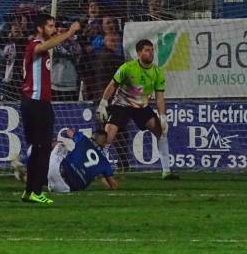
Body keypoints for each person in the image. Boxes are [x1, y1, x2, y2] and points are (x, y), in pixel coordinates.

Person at [20, 14, 81, 204]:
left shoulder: (40, 47)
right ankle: (35, 191)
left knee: (40, 148)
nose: (53, 29)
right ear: (39, 28)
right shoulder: (35, 45)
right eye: (50, 26)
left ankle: (30, 191)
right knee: (43, 148)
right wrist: (69, 32)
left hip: (35, 103)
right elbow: (44, 46)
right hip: (36, 103)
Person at [96, 39, 176, 179]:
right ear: (139, 53)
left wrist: (163, 117)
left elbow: (159, 98)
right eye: (147, 50)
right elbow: (112, 85)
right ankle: (100, 170)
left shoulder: (158, 72)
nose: (151, 53)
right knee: (108, 136)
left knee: (161, 132)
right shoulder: (127, 67)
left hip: (141, 107)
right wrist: (103, 103)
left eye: (152, 50)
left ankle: (167, 172)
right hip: (121, 105)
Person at [13, 128, 118, 193]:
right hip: (66, 188)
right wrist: (105, 180)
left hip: (58, 170)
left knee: (59, 145)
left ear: (92, 137)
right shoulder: (105, 163)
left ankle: (23, 161)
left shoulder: (83, 139)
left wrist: (72, 134)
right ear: (104, 144)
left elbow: (69, 132)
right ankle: (28, 177)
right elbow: (113, 186)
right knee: (54, 178)